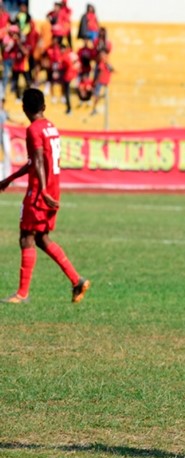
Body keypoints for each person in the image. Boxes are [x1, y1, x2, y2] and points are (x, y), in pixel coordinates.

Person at [0, 88, 89, 304]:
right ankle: (77, 280)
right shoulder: (51, 127)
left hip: (41, 190)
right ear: (44, 107)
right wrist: (11, 178)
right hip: (52, 188)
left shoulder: (33, 130)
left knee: (26, 236)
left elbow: (38, 161)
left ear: (24, 108)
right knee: (40, 238)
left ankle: (22, 294)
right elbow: (37, 161)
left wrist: (41, 191)